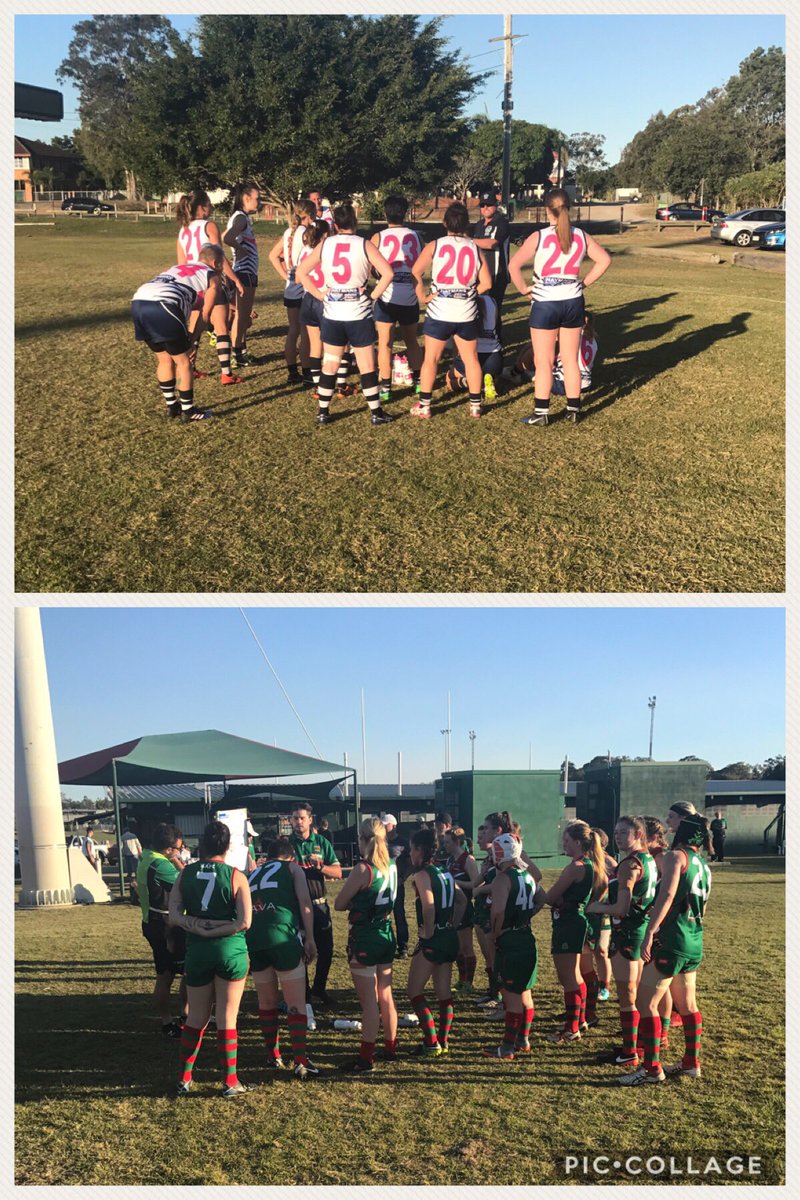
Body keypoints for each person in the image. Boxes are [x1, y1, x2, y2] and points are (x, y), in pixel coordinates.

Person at [619, 812, 712, 1085]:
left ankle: (650, 1069)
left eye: (677, 825)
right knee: (688, 1004)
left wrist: (650, 931)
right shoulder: (704, 864)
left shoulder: (675, 857)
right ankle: (691, 1062)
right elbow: (702, 906)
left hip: (672, 939)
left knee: (646, 1004)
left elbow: (668, 895)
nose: (672, 828)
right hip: (694, 938)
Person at [508, 187, 611, 425]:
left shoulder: (540, 236)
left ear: (547, 209)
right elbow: (604, 260)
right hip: (572, 301)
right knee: (570, 358)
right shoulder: (581, 235)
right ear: (569, 208)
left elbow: (514, 265)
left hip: (545, 301)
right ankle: (573, 410)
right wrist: (583, 284)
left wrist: (524, 289)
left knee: (544, 362)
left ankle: (541, 413)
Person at [167, 819, 252, 1097]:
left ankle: (184, 1078)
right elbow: (244, 922)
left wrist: (197, 926)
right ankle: (230, 1082)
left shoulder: (185, 873)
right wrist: (218, 928)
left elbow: (175, 915)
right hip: (230, 950)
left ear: (202, 845)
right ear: (228, 847)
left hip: (198, 951)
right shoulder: (236, 875)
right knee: (227, 1019)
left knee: (197, 1018)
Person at [295, 202, 395, 425]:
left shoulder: (326, 244)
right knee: (367, 365)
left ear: (336, 224)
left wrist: (320, 295)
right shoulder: (364, 244)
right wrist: (372, 296)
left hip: (333, 314)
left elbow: (301, 272)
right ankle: (376, 413)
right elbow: (388, 273)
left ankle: (323, 412)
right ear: (355, 221)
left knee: (330, 363)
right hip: (358, 314)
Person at [586, 816, 658, 1070]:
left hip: (628, 933)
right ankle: (634, 1045)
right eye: (615, 832)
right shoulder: (649, 859)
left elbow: (622, 908)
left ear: (639, 833)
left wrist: (597, 906)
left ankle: (630, 1051)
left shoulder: (630, 864)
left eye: (624, 832)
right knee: (635, 994)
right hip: (638, 930)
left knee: (627, 996)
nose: (617, 836)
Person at [247, 836, 319, 1081]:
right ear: (291, 856)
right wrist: (309, 937)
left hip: (254, 940)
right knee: (296, 1003)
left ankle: (273, 1053)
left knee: (266, 1002)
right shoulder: (293, 868)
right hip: (282, 937)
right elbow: (305, 901)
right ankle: (300, 1059)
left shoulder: (253, 873)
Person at [411, 201, 492, 419]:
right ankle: (475, 405)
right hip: (465, 311)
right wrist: (468, 293)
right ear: (467, 224)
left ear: (445, 222)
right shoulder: (474, 247)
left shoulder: (435, 245)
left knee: (431, 360)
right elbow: (487, 283)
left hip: (440, 310)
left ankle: (425, 405)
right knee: (471, 359)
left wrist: (423, 297)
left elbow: (415, 272)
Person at [131, 243, 224, 423]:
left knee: (164, 359)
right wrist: (192, 339)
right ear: (215, 263)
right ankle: (188, 411)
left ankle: (172, 407)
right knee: (183, 362)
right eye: (221, 264)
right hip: (164, 303)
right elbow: (205, 314)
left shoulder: (178, 267)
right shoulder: (212, 276)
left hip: (139, 300)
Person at [334, 817, 399, 1073]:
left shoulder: (364, 869)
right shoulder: (392, 865)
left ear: (362, 839)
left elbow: (339, 903)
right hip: (385, 932)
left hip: (365, 936)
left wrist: (357, 904)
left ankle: (365, 1058)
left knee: (369, 1003)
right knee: (386, 995)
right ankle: (390, 1048)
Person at [541, 820, 607, 1044]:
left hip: (569, 923)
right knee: (575, 976)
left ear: (578, 842)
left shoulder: (576, 867)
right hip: (575, 922)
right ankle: (580, 1020)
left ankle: (571, 1029)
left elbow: (550, 897)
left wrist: (554, 898)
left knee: (568, 977)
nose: (564, 844)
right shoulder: (590, 864)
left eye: (567, 840)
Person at [175, 189, 244, 385]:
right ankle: (226, 373)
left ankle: (189, 367)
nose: (212, 207)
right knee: (221, 326)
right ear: (202, 207)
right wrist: (235, 280)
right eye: (209, 204)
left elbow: (181, 264)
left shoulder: (183, 230)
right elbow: (219, 257)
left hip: (192, 284)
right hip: (210, 280)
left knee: (195, 328)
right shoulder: (209, 226)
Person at [407, 827, 466, 1055]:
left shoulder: (423, 875)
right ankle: (444, 1040)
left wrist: (429, 933)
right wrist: (453, 924)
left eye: (412, 849)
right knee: (444, 993)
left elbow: (429, 906)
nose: (411, 854)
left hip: (435, 939)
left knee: (414, 991)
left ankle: (431, 1042)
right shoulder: (445, 871)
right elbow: (461, 900)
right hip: (449, 936)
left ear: (420, 850)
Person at [482, 833, 542, 1058]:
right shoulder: (527, 875)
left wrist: (495, 935)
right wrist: (525, 917)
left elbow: (497, 911)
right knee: (525, 993)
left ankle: (507, 1047)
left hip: (510, 940)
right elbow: (541, 899)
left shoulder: (502, 879)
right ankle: (523, 1039)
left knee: (512, 997)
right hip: (526, 937)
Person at [288, 803, 342, 1013]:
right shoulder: (286, 844)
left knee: (325, 950)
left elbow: (338, 873)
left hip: (319, 905)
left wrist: (321, 867)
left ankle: (320, 987)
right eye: (294, 818)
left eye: (302, 818)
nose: (298, 822)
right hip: (295, 907)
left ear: (310, 820)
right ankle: (305, 992)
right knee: (299, 950)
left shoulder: (321, 842)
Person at [370, 195, 424, 405]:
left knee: (385, 343)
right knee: (411, 340)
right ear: (405, 213)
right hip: (409, 295)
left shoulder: (378, 237)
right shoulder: (417, 237)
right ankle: (420, 380)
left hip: (387, 295)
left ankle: (385, 386)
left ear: (385, 214)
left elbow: (372, 268)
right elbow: (421, 266)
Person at [137, 822, 187, 1038]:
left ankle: (185, 1015)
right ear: (168, 849)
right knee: (167, 976)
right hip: (165, 926)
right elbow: (188, 883)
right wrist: (177, 861)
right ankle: (169, 1022)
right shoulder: (161, 865)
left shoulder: (148, 856)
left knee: (179, 971)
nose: (180, 851)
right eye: (177, 848)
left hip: (154, 921)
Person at [268, 199, 317, 385]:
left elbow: (273, 255)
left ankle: (292, 371)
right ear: (310, 215)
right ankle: (307, 372)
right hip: (304, 285)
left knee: (293, 330)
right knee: (305, 332)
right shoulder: (307, 233)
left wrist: (286, 276)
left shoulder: (289, 231)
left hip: (291, 286)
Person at [223, 181, 261, 369]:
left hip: (247, 271)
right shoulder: (241, 218)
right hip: (244, 271)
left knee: (244, 315)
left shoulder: (241, 217)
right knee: (241, 315)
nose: (258, 202)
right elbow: (227, 238)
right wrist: (241, 250)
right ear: (246, 198)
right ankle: (236, 354)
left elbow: (226, 234)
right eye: (257, 198)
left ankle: (241, 352)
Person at [471, 190, 512, 343]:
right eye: (482, 205)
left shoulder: (502, 223)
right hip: (480, 274)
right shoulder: (479, 225)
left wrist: (469, 241)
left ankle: (496, 341)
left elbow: (492, 243)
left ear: (496, 206)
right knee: (479, 308)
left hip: (497, 274)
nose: (485, 208)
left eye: (489, 205)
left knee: (493, 310)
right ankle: (481, 339)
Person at [447, 293, 502, 403]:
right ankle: (489, 378)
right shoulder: (492, 300)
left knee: (449, 380)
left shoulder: (463, 303)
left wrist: (455, 361)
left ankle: (467, 382)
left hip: (471, 355)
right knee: (492, 374)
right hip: (493, 356)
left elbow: (457, 339)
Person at [443, 826, 479, 993]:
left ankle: (468, 982)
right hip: (453, 906)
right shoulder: (450, 859)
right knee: (457, 946)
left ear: (457, 842)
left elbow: (476, 883)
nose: (445, 846)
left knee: (466, 946)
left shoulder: (468, 859)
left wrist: (456, 884)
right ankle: (461, 979)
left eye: (448, 842)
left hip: (465, 907)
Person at [382, 814, 409, 956]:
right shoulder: (381, 841)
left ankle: (403, 946)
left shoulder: (403, 843)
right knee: (383, 914)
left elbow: (411, 862)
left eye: (386, 825)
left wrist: (403, 877)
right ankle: (386, 944)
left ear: (394, 825)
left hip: (397, 884)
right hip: (383, 884)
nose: (384, 827)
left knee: (399, 915)